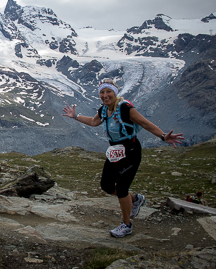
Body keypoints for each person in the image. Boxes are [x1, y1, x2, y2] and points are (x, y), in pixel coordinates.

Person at [62, 78, 185, 238]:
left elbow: (145, 123)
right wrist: (75, 116)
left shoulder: (125, 108)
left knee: (121, 188)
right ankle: (135, 199)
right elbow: (93, 122)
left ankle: (126, 225)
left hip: (130, 150)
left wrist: (163, 136)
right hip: (114, 151)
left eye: (108, 92)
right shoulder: (104, 110)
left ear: (115, 93)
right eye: (102, 92)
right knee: (106, 186)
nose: (105, 95)